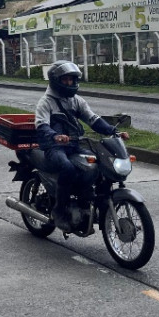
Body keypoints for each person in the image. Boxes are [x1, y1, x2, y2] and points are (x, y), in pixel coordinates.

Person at [34, 60, 129, 229]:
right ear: (56, 80)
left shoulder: (76, 101)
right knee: (68, 168)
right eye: (66, 80)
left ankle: (86, 199)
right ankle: (59, 210)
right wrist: (55, 136)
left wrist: (113, 132)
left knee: (98, 164)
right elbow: (42, 126)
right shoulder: (46, 102)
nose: (70, 83)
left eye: (72, 79)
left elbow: (93, 120)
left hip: (74, 145)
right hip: (54, 148)